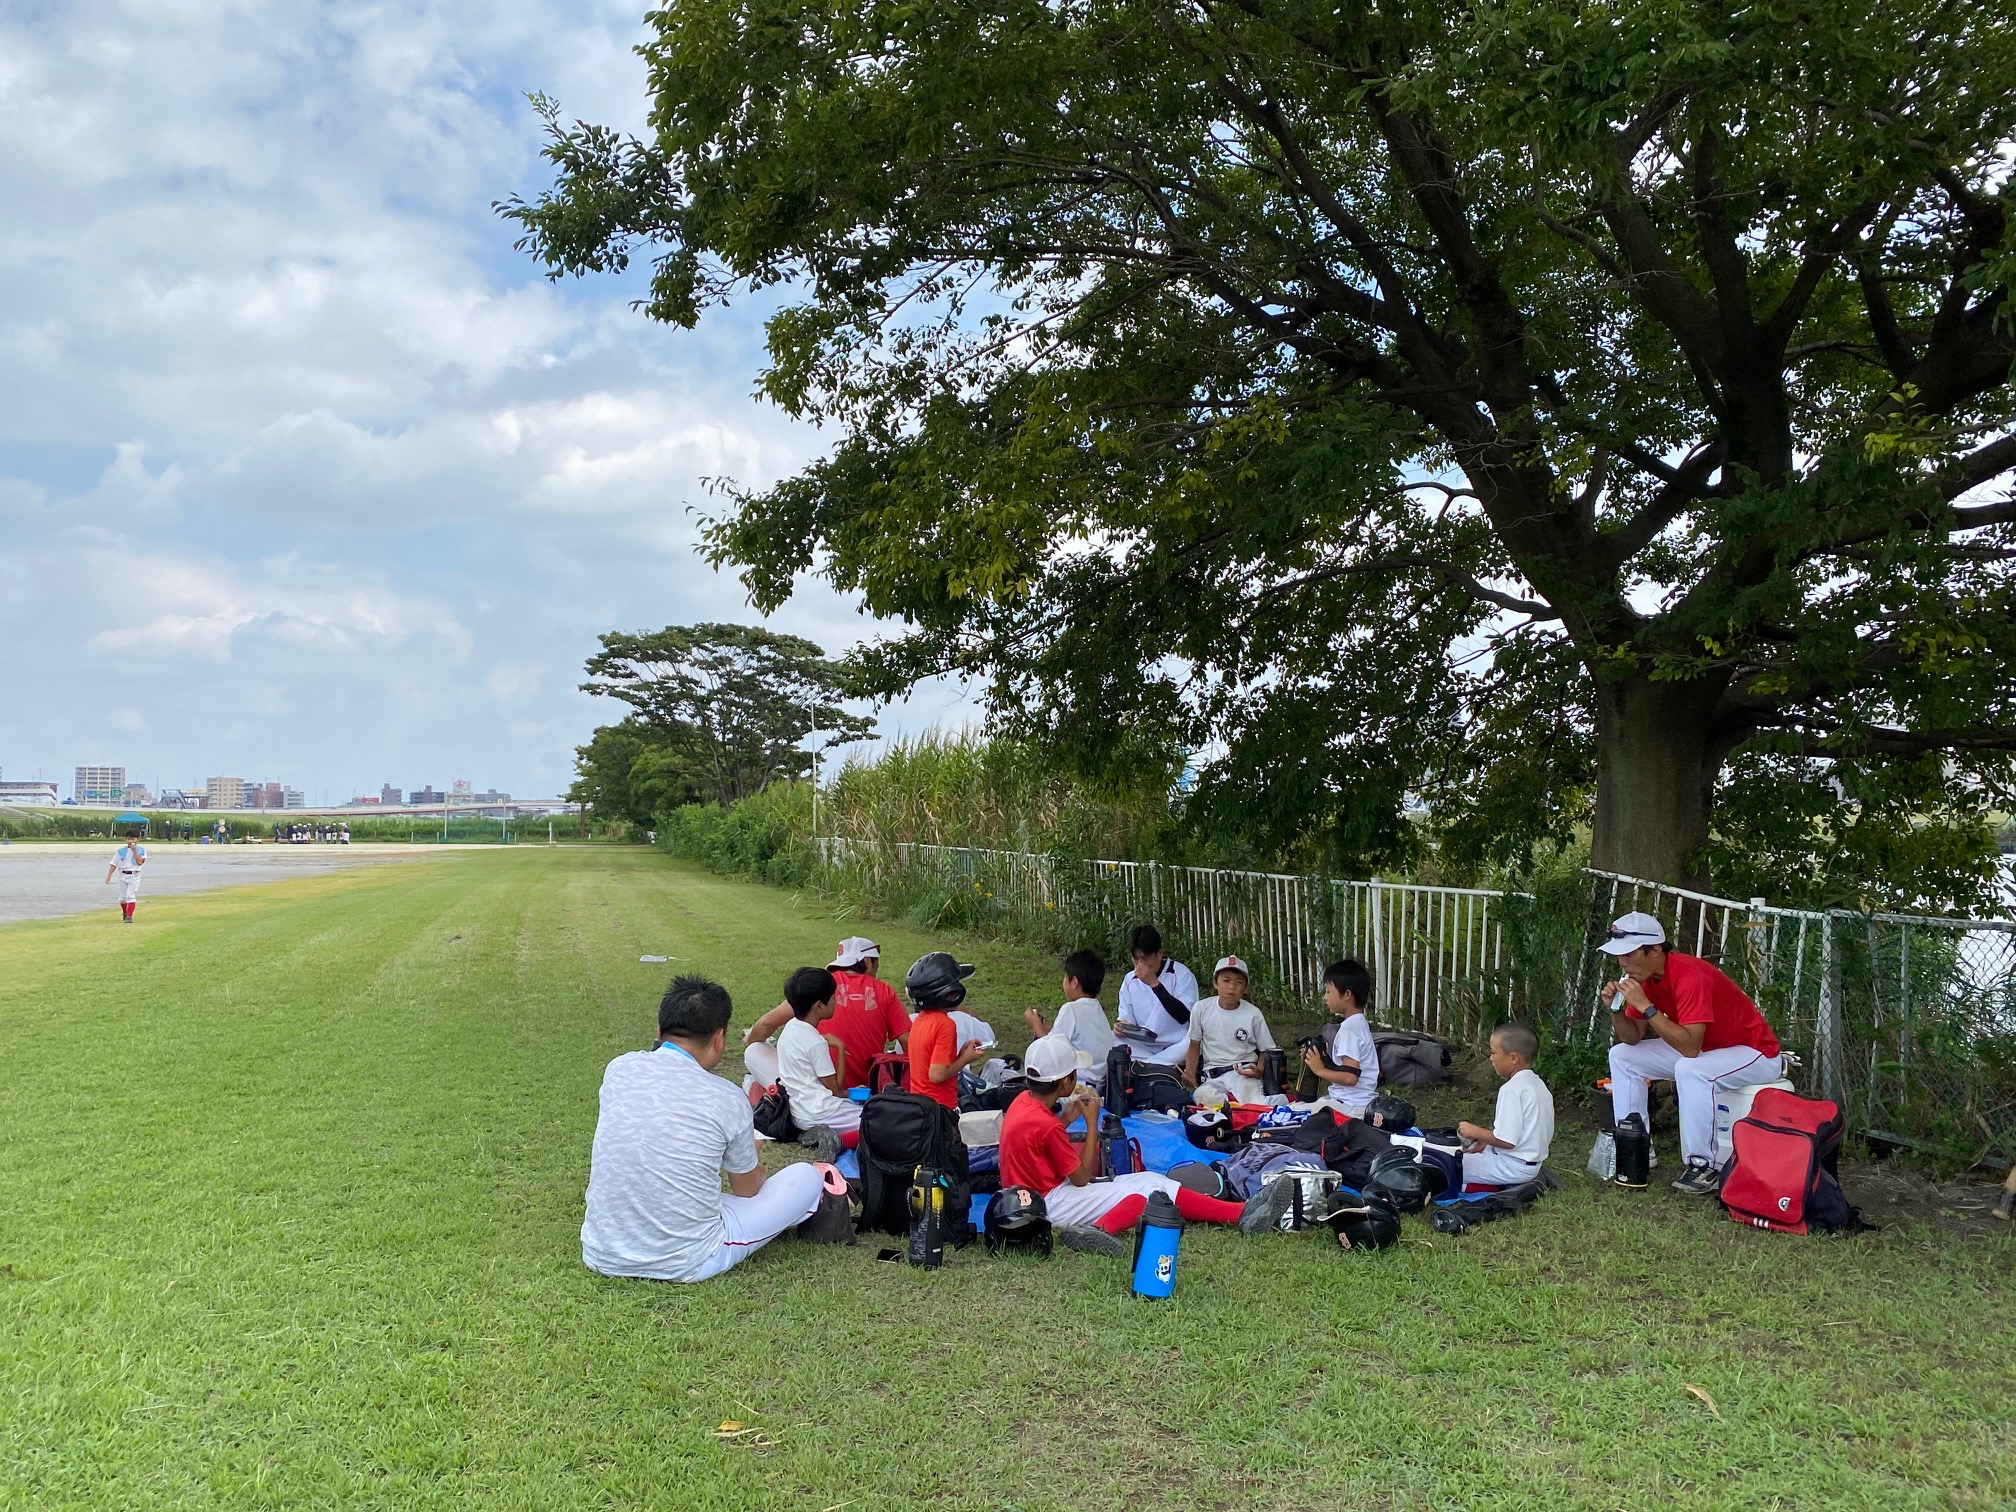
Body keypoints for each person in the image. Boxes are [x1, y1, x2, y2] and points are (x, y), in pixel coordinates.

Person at [581, 974, 824, 1283]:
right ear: (719, 1039)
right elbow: (747, 1190)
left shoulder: (619, 1069)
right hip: (689, 1258)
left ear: (659, 1031)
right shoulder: (726, 1096)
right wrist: (753, 1158)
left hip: (601, 1251)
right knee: (805, 1177)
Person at [999, 1034, 1294, 1256]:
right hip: (1049, 1202)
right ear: (1066, 1081)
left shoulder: (1024, 1103)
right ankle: (1096, 1231)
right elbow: (1081, 1178)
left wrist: (1066, 1116)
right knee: (1147, 1195)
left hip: (1029, 1196)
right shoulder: (1046, 1124)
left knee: (1151, 1181)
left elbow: (1039, 1139)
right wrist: (1090, 1122)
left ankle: (1240, 1212)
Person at [1600, 910, 1786, 1196]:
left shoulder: (1690, 974)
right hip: (1709, 1050)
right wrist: (1614, 1009)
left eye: (1629, 954)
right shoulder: (1645, 977)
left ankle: (1703, 1166)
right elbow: (1632, 1038)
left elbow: (1689, 1048)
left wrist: (1648, 1007)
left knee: (1690, 1069)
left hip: (1755, 1052)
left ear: (1655, 951)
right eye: (1619, 955)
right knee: (1622, 1056)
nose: (1622, 963)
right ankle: (1635, 1146)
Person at [743, 936, 910, 1092]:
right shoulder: (885, 991)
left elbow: (767, 1023)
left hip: (818, 1089)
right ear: (868, 961)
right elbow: (908, 1044)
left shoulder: (818, 987)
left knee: (754, 1050)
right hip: (867, 1087)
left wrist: (749, 1040)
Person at [774, 966, 862, 1161]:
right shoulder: (816, 1043)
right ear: (819, 1006)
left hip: (799, 1111)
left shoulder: (791, 1027)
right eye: (833, 998)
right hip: (821, 1112)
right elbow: (837, 1091)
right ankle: (837, 1140)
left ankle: (813, 1133)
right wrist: (839, 1048)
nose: (836, 1001)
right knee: (877, 1123)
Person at [1457, 1023, 1555, 1186]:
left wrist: (1473, 1131)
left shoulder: (1511, 1089)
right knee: (1465, 1156)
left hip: (1511, 1167)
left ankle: (1475, 1188)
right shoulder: (1538, 1085)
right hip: (1527, 1164)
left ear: (1513, 1058)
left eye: (1494, 1052)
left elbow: (1507, 1141)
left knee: (1446, 1164)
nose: (1491, 1058)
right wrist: (1486, 1142)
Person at [905, 951, 990, 1109]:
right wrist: (966, 1059)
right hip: (940, 1108)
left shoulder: (920, 1020)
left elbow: (931, 1063)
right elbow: (937, 1075)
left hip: (919, 1105)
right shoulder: (945, 1024)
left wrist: (960, 1055)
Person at [1183, 955, 1277, 1096]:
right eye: (1226, 981)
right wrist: (1189, 1072)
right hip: (1213, 1077)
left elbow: (1267, 1049)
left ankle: (1287, 1105)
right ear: (1215, 983)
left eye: (1239, 982)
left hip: (1243, 1074)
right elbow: (1194, 1045)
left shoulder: (1253, 1013)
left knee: (1257, 1102)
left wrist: (1259, 1071)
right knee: (1203, 1097)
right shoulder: (1201, 1008)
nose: (1232, 987)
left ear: (1245, 988)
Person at [1114, 924, 1200, 1067]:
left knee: (1192, 1042)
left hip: (1175, 1044)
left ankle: (1145, 1066)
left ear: (1159, 954)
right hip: (1144, 1044)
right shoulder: (1129, 979)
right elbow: (1126, 1020)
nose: (1139, 965)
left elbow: (1185, 1017)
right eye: (1135, 959)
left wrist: (1155, 984)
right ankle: (1153, 1065)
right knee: (1110, 1040)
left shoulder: (1181, 974)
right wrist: (1121, 1027)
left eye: (1145, 958)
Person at [1024, 949, 1115, 1084]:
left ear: (1074, 982)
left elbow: (1052, 1049)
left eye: (1066, 976)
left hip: (1079, 1081)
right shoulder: (1096, 1009)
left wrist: (1036, 1024)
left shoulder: (1071, 1009)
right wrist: (1044, 1027)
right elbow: (1066, 1035)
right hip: (1099, 1080)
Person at [1304, 959, 1380, 1114]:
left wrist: (1319, 1070)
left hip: (1348, 1106)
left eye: (1328, 991)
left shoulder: (1349, 1031)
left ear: (1346, 995)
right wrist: (1321, 1058)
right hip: (1356, 1103)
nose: (1325, 997)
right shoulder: (1358, 1024)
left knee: (1288, 1114)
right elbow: (1348, 1067)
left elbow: (1350, 1077)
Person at [103, 830, 147, 923]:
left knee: (130, 895)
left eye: (133, 839)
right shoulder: (120, 851)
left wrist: (134, 850)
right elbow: (114, 863)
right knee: (122, 898)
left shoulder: (141, 850)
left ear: (138, 840)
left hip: (134, 875)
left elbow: (139, 862)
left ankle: (129, 917)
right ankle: (125, 913)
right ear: (125, 839)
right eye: (128, 839)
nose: (130, 841)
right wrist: (109, 875)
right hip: (122, 875)